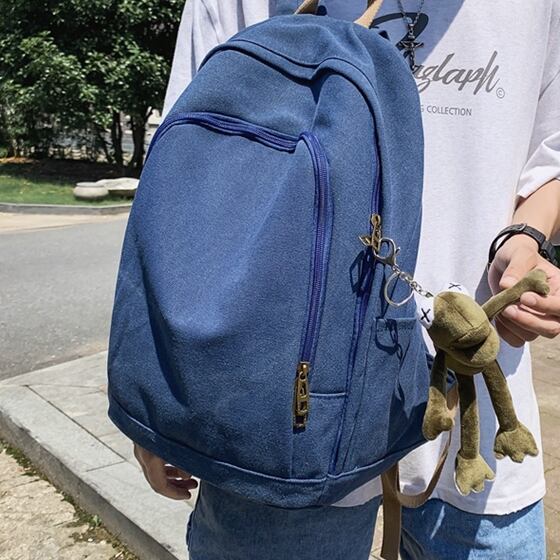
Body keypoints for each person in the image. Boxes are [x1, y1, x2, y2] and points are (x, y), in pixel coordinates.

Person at [135, 1, 560, 558]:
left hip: (474, 411)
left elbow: (550, 155)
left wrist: (525, 238)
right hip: (273, 422)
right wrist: (156, 400)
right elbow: (185, 184)